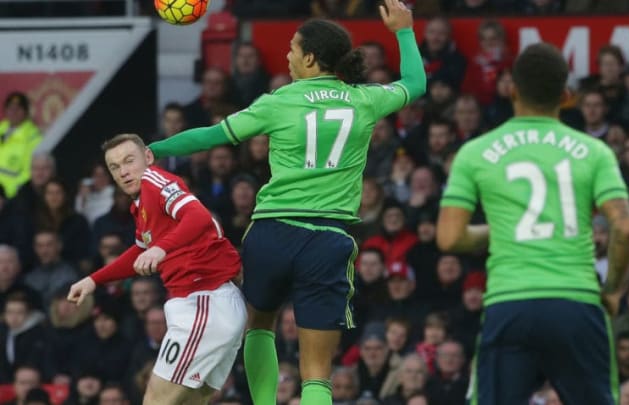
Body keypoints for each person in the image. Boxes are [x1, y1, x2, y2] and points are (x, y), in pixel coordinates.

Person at [146, 1, 425, 405]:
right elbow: (416, 83)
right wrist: (403, 30)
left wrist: (152, 149)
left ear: (310, 58)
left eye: (294, 48)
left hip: (272, 232)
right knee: (316, 373)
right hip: (328, 238)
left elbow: (209, 137)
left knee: (260, 327)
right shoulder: (365, 100)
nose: (288, 55)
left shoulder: (277, 102)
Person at [436, 43, 629, 405]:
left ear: (512, 88)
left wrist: (502, 231)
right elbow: (624, 228)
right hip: (576, 302)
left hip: (509, 304)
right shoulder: (594, 151)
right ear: (567, 96)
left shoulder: (475, 152)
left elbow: (449, 238)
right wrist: (613, 288)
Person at [66, 134, 247, 405]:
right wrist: (94, 279)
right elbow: (140, 250)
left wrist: (161, 249)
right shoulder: (140, 205)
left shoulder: (155, 181)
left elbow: (197, 216)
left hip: (204, 302)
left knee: (155, 400)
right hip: (206, 305)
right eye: (115, 167)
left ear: (148, 158)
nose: (123, 171)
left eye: (129, 161)